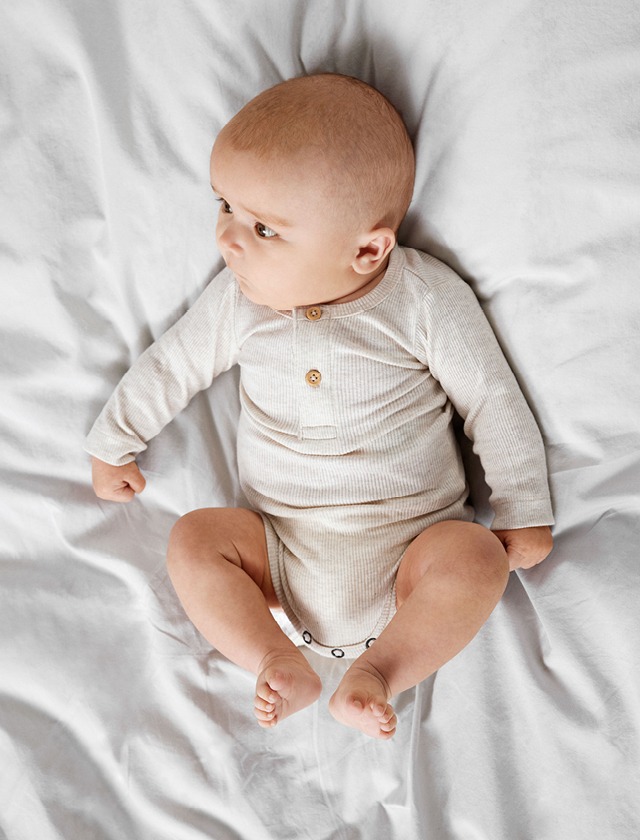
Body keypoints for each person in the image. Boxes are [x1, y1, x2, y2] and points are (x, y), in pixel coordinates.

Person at [86, 74, 554, 739]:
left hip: (412, 555)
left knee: (477, 559)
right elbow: (172, 365)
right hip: (278, 554)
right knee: (193, 540)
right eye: (225, 206)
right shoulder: (237, 301)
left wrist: (523, 507)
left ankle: (380, 672)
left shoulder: (422, 299)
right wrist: (114, 440)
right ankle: (274, 657)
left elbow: (491, 399)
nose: (228, 240)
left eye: (263, 228)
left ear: (368, 249)